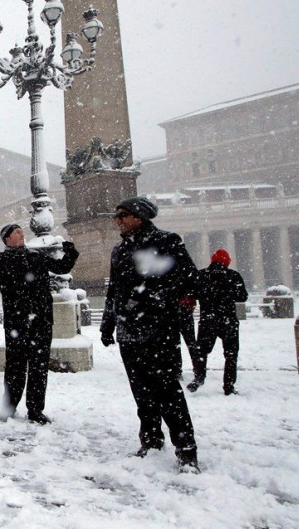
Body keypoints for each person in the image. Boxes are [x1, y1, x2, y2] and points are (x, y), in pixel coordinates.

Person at [100, 197, 200, 472]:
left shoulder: (167, 242)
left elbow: (189, 280)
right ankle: (151, 440)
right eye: (116, 216)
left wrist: (151, 299)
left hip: (159, 329)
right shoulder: (119, 251)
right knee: (141, 392)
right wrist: (108, 324)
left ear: (140, 217)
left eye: (123, 215)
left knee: (167, 390)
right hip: (128, 331)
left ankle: (186, 449)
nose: (118, 221)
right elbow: (114, 290)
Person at [0, 224, 79, 425]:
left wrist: (70, 251)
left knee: (39, 367)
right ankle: (9, 407)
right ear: (7, 239)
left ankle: (35, 410)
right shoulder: (2, 260)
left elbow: (62, 267)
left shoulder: (36, 257)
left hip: (41, 320)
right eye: (16, 232)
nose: (21, 234)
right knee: (15, 367)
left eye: (21, 231)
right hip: (16, 323)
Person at [188, 249, 249, 395]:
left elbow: (191, 293)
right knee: (231, 355)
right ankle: (228, 385)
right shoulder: (233, 276)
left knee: (202, 351)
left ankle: (199, 376)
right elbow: (242, 296)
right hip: (228, 320)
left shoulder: (202, 275)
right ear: (227, 262)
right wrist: (228, 294)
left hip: (208, 320)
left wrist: (206, 295)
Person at [177, 296, 205, 382]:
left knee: (176, 345)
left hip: (178, 311)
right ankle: (198, 370)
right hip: (185, 311)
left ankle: (177, 370)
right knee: (191, 344)